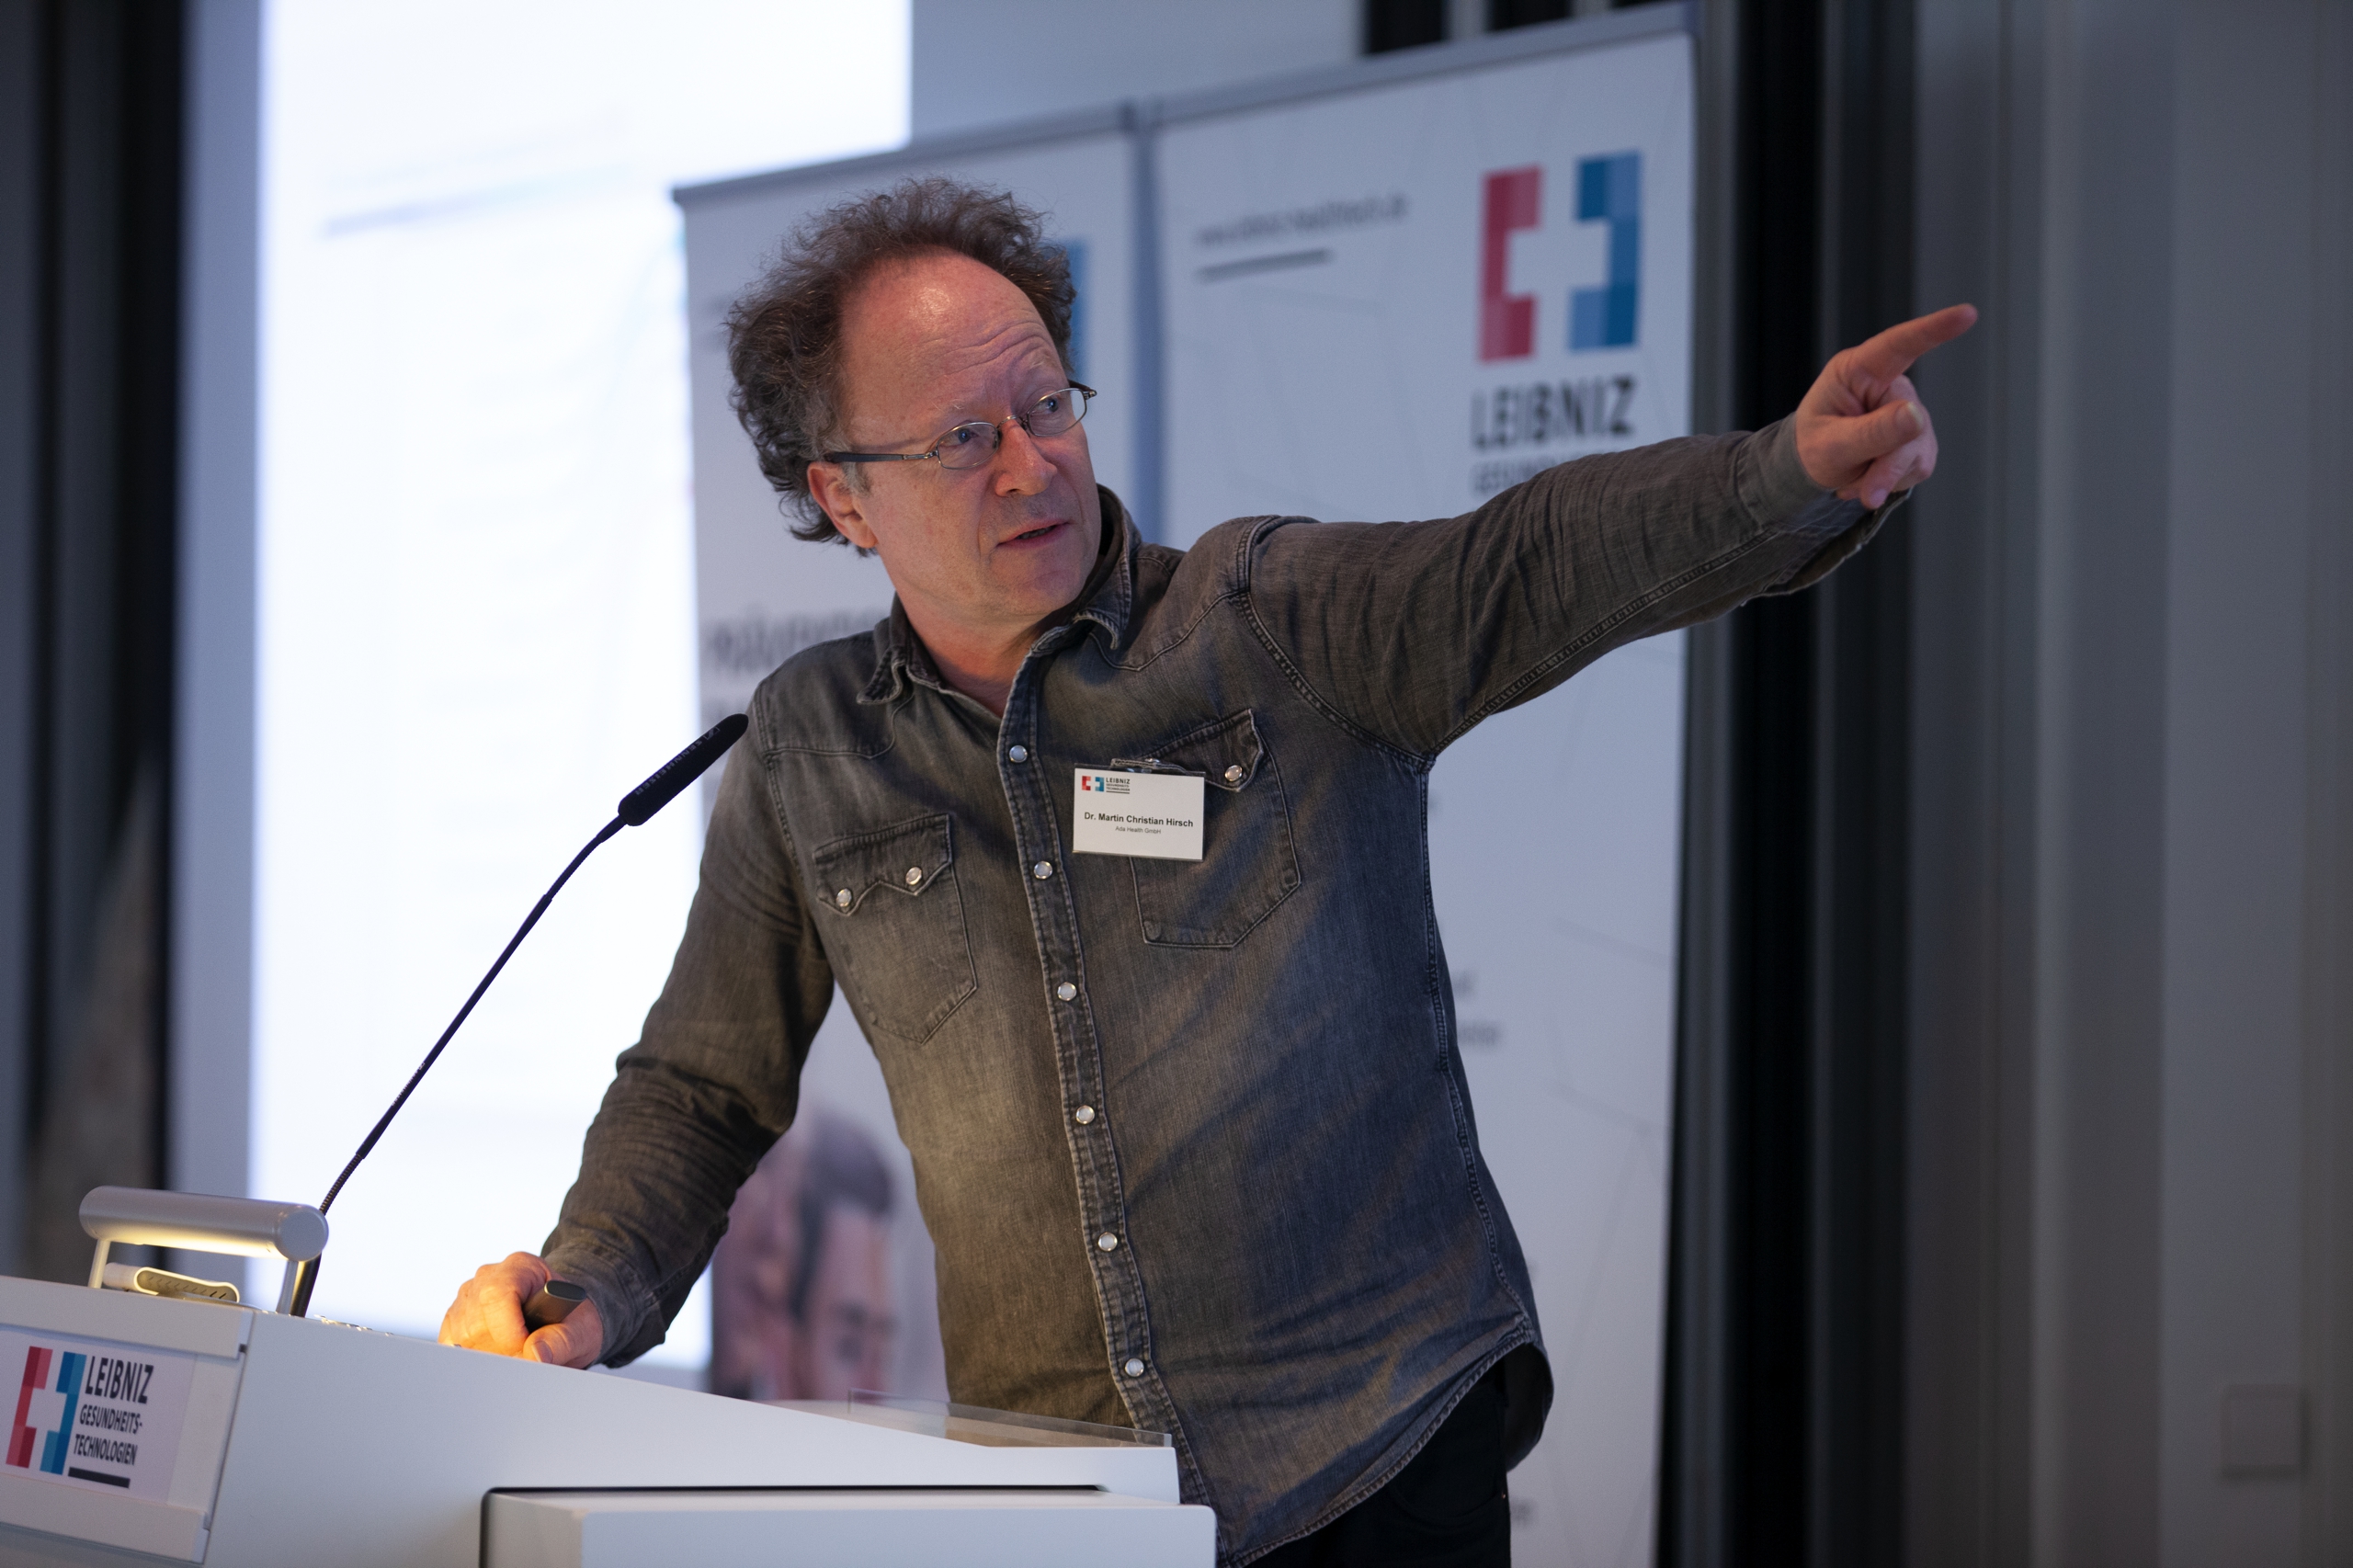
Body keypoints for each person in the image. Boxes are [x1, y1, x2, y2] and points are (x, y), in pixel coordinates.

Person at [440, 177, 1972, 1565]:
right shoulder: (809, 743)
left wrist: (1784, 472)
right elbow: (701, 1087)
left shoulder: (1269, 624)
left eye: (1048, 404)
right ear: (844, 494)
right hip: (1060, 1503)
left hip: (1371, 1460)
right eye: (965, 438)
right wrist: (588, 1289)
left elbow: (1527, 563)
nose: (1030, 464)